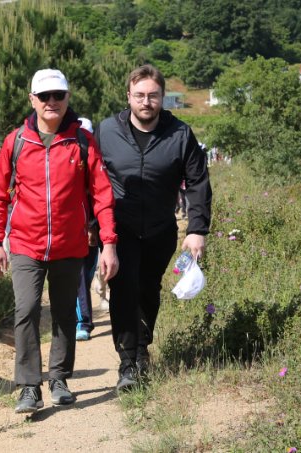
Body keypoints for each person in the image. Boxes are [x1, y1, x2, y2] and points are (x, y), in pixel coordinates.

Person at [0, 68, 119, 414]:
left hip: (69, 244)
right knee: (26, 309)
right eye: (44, 96)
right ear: (32, 99)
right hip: (25, 244)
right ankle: (29, 386)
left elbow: (102, 194)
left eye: (58, 95)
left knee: (64, 313)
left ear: (67, 98)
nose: (51, 102)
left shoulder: (82, 141)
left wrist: (108, 243)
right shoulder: (16, 141)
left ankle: (59, 378)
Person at [96, 64, 212, 392]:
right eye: (139, 95)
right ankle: (128, 362)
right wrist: (93, 225)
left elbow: (198, 181)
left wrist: (197, 229)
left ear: (162, 97)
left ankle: (141, 348)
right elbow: (91, 181)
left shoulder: (180, 134)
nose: (146, 102)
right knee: (123, 290)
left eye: (153, 95)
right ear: (128, 97)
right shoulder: (106, 131)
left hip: (161, 229)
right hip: (120, 228)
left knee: (148, 290)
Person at [75, 117, 98, 341]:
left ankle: (82, 312)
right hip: (73, 229)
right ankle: (82, 321)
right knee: (79, 276)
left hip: (95, 226)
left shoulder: (99, 160)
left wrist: (94, 226)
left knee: (88, 274)